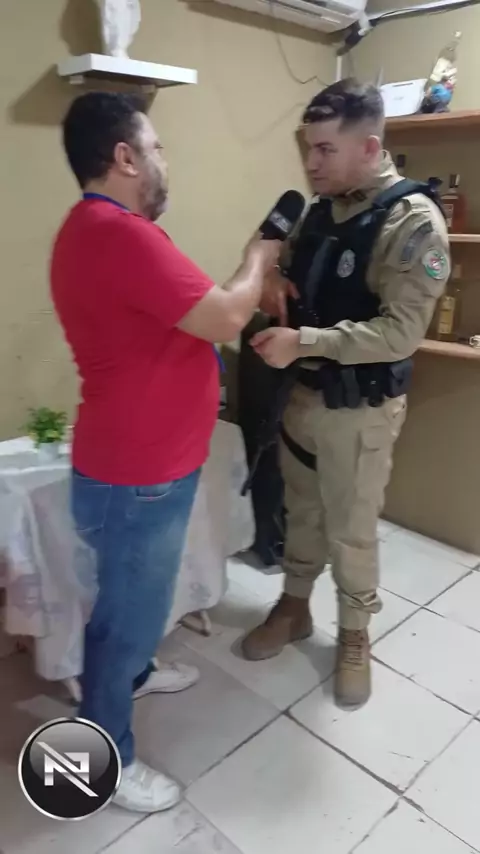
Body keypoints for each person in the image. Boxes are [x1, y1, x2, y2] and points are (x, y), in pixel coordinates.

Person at [50, 91, 280, 813]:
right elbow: (227, 315)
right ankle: (105, 758)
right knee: (122, 621)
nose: (163, 161)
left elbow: (179, 319)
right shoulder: (118, 234)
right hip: (136, 474)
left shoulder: (97, 230)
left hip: (139, 465)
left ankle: (137, 674)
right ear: (124, 157)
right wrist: (259, 255)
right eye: (156, 148)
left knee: (132, 606)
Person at [241, 79, 450, 710]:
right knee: (301, 513)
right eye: (308, 148)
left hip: (359, 410)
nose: (311, 163)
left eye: (325, 149)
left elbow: (400, 333)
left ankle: (355, 633)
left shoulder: (413, 223)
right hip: (301, 397)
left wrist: (303, 341)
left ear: (370, 147)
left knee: (352, 529)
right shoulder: (320, 208)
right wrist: (273, 276)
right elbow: (292, 264)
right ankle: (294, 606)